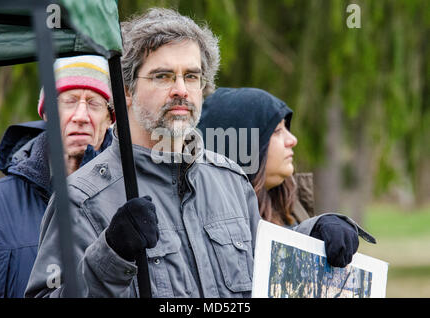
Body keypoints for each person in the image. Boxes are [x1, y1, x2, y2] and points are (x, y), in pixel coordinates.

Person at [26, 8, 370, 298]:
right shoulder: (81, 201)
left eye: (191, 76)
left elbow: (264, 268)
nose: (181, 90)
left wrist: (314, 234)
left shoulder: (231, 179)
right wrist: (110, 256)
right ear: (126, 90)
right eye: (162, 76)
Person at [0, 55, 114, 297]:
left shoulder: (132, 197)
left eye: (94, 103)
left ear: (110, 119)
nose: (81, 116)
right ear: (47, 113)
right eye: (70, 101)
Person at [198, 87, 376, 267]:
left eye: (286, 128)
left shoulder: (289, 208)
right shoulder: (206, 230)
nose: (292, 140)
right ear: (241, 146)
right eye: (276, 131)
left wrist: (315, 230)